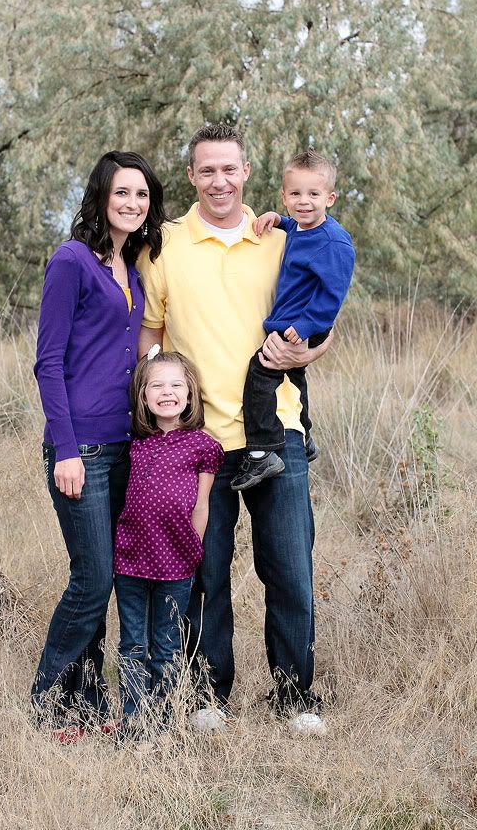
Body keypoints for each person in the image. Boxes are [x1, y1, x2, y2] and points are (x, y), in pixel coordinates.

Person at [137, 123, 331, 735]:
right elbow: (150, 334)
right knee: (204, 573)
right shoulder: (163, 247)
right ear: (191, 176)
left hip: (276, 432)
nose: (218, 181)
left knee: (290, 571)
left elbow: (322, 319)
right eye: (207, 170)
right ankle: (207, 696)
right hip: (198, 442)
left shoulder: (280, 239)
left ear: (246, 172)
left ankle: (295, 696)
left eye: (229, 169)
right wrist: (155, 409)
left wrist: (308, 353)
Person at [31, 150, 168, 738]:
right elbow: (48, 362)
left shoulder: (132, 268)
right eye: (122, 193)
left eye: (142, 195)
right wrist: (65, 449)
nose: (133, 203)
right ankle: (46, 701)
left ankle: (85, 704)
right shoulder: (72, 262)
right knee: (93, 581)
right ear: (101, 197)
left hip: (123, 446)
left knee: (106, 576)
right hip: (81, 448)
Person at [113, 348, 224, 733]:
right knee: (133, 645)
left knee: (166, 646)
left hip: (176, 562)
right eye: (156, 386)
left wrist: (194, 549)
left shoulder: (203, 446)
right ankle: (134, 724)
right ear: (143, 397)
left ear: (190, 394)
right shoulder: (135, 443)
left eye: (176, 385)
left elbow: (202, 505)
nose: (167, 392)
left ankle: (162, 723)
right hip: (130, 559)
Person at [231, 149, 355, 491]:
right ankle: (306, 436)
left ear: (329, 198)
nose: (304, 201)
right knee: (294, 377)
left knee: (261, 372)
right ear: (284, 196)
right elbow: (297, 230)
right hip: (295, 321)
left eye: (313, 194)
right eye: (295, 194)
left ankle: (261, 451)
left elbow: (332, 297)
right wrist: (278, 219)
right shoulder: (300, 227)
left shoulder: (334, 243)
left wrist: (304, 327)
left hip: (304, 322)